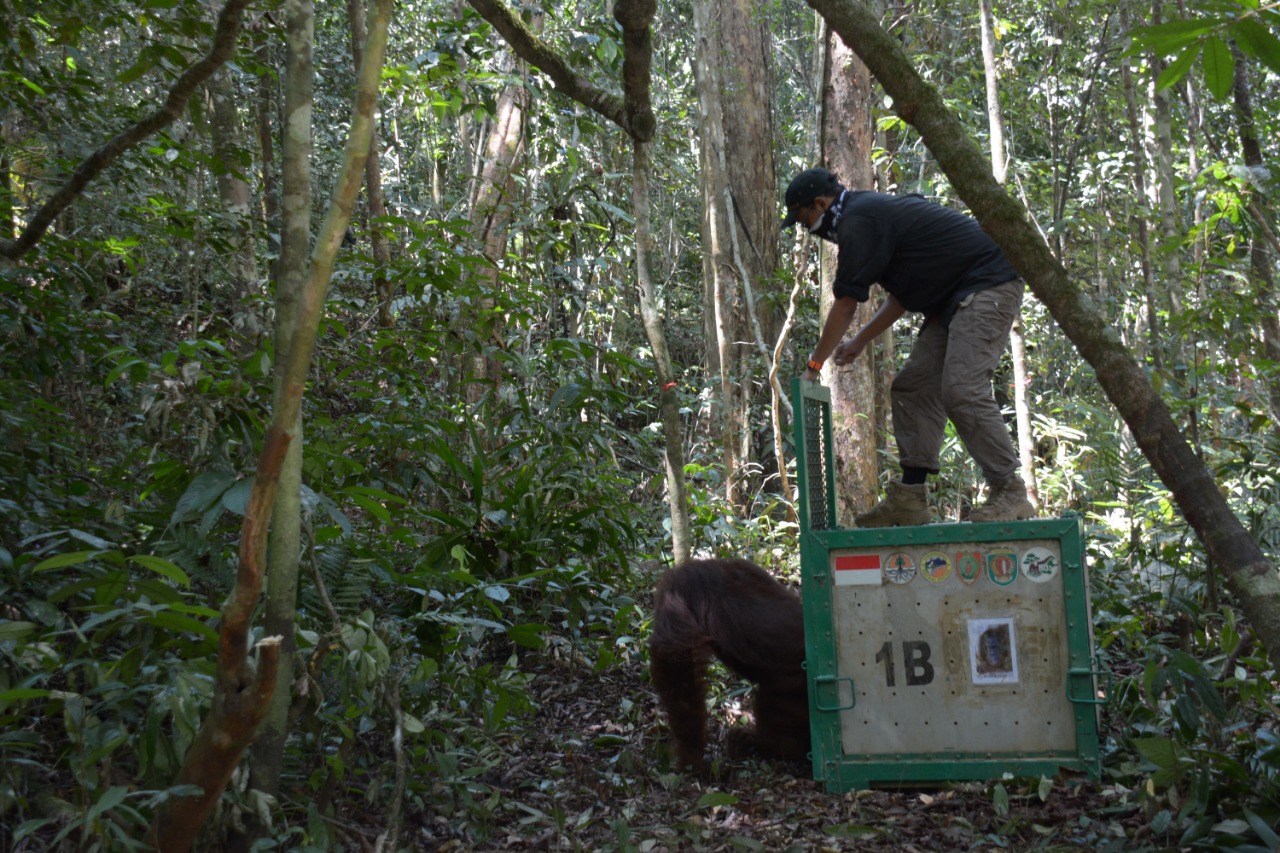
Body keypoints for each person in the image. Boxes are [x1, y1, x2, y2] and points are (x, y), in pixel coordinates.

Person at [784, 166, 1034, 526]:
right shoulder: (864, 217)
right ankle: (910, 498)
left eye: (802, 218)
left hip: (988, 282)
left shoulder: (857, 220)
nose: (806, 229)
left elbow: (844, 303)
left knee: (962, 388)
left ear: (820, 203)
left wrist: (814, 366)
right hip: (950, 299)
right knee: (913, 388)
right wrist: (858, 342)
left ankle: (1009, 490)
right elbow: (901, 296)